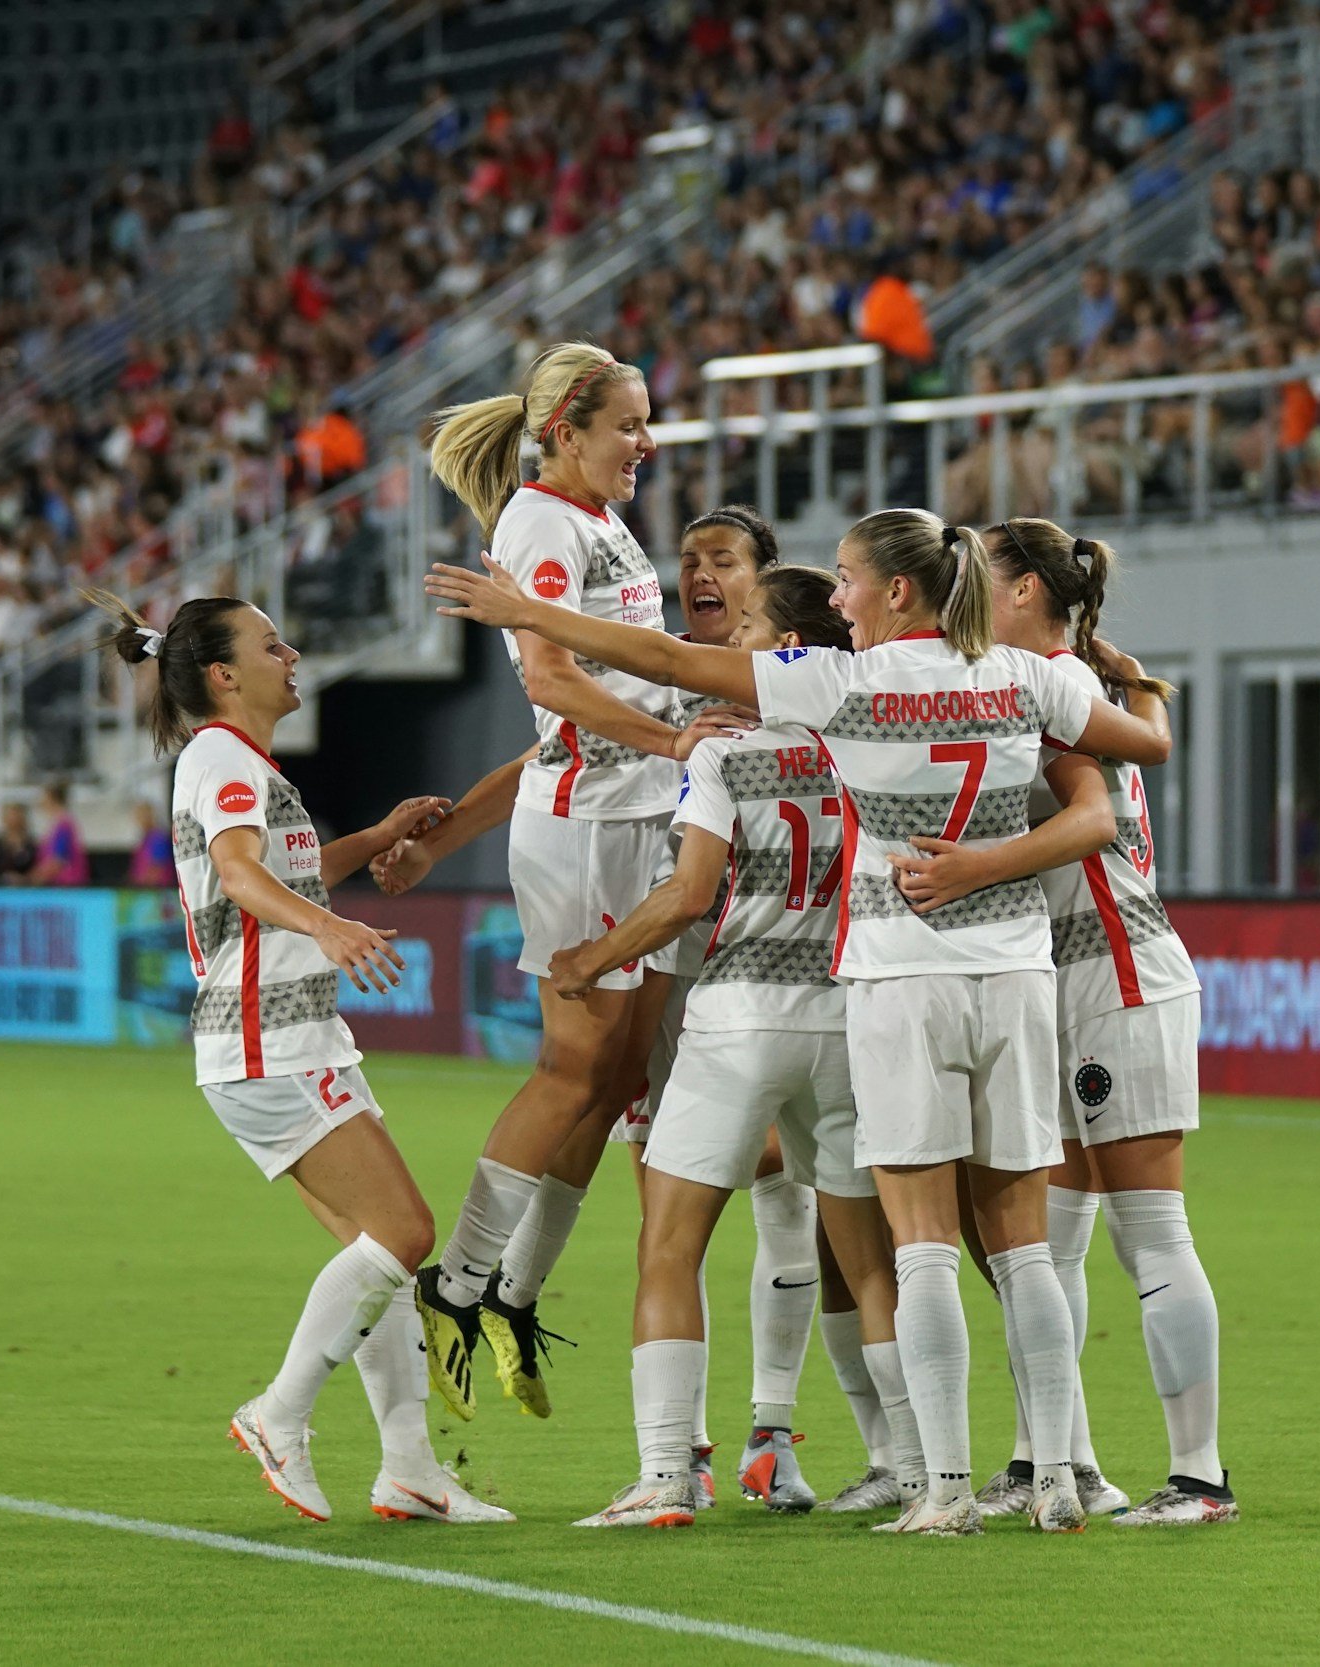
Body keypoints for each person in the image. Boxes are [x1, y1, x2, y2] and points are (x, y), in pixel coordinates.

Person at [426, 505, 1176, 1535]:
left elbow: (664, 669)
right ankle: (1051, 1475)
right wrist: (1133, 679)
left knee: (884, 1247)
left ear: (897, 591)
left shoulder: (836, 689)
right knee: (1013, 1249)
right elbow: (1142, 748)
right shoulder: (1024, 676)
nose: (838, 595)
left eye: (849, 577)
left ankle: (912, 1485)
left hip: (869, 986)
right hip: (1000, 978)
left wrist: (528, 614)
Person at [371, 505, 813, 1506]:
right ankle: (681, 1447)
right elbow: (556, 753)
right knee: (667, 1191)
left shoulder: (801, 680)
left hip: (759, 964)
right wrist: (443, 839)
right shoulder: (663, 672)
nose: (702, 575)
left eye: (725, 559)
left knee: (784, 1185)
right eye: (689, 559)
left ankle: (774, 1432)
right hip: (673, 950)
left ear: (766, 578)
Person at [85, 587, 504, 1526]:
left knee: (374, 1256)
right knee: (404, 1232)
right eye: (271, 645)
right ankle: (279, 1412)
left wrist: (377, 838)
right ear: (224, 674)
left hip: (282, 1040)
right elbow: (241, 875)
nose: (293, 656)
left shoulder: (240, 763)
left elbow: (278, 869)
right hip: (267, 1041)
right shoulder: (220, 757)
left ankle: (410, 1471)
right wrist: (328, 926)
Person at [410, 342, 736, 1428]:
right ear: (565, 431)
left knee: (619, 1076)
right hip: (589, 826)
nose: (647, 442)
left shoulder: (599, 519)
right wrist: (675, 738)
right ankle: (457, 1284)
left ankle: (514, 1291)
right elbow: (551, 681)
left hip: (636, 812)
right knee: (571, 1068)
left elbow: (606, 673)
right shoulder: (543, 524)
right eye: (628, 424)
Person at [541, 568, 903, 1529]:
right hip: (845, 1019)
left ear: (786, 649)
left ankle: (666, 1473)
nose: (732, 639)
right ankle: (912, 1464)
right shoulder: (873, 744)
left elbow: (689, 894)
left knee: (669, 1242)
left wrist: (593, 958)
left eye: (748, 624)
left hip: (739, 1017)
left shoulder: (724, 757)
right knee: (868, 1262)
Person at [922, 518, 1225, 1528]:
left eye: (978, 573)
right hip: (1060, 976)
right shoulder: (1066, 683)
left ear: (1021, 591)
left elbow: (1090, 820)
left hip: (1116, 972)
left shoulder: (1046, 688)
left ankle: (1199, 1476)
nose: (961, 590)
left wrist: (973, 867)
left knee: (1150, 1231)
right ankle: (1056, 1457)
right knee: (1046, 1241)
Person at [26, 780, 89, 887]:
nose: (41, 801)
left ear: (52, 799)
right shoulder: (56, 824)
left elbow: (58, 860)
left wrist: (30, 879)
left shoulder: (63, 825)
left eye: (44, 797)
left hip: (66, 884)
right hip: (58, 883)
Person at [128, 799, 177, 889]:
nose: (140, 820)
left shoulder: (158, 838)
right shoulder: (145, 839)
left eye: (143, 816)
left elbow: (158, 868)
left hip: (156, 891)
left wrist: (143, 885)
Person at [0, 800, 38, 884]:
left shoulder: (33, 846)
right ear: (4, 818)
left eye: (16, 816)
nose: (14, 820)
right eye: (11, 816)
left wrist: (24, 879)